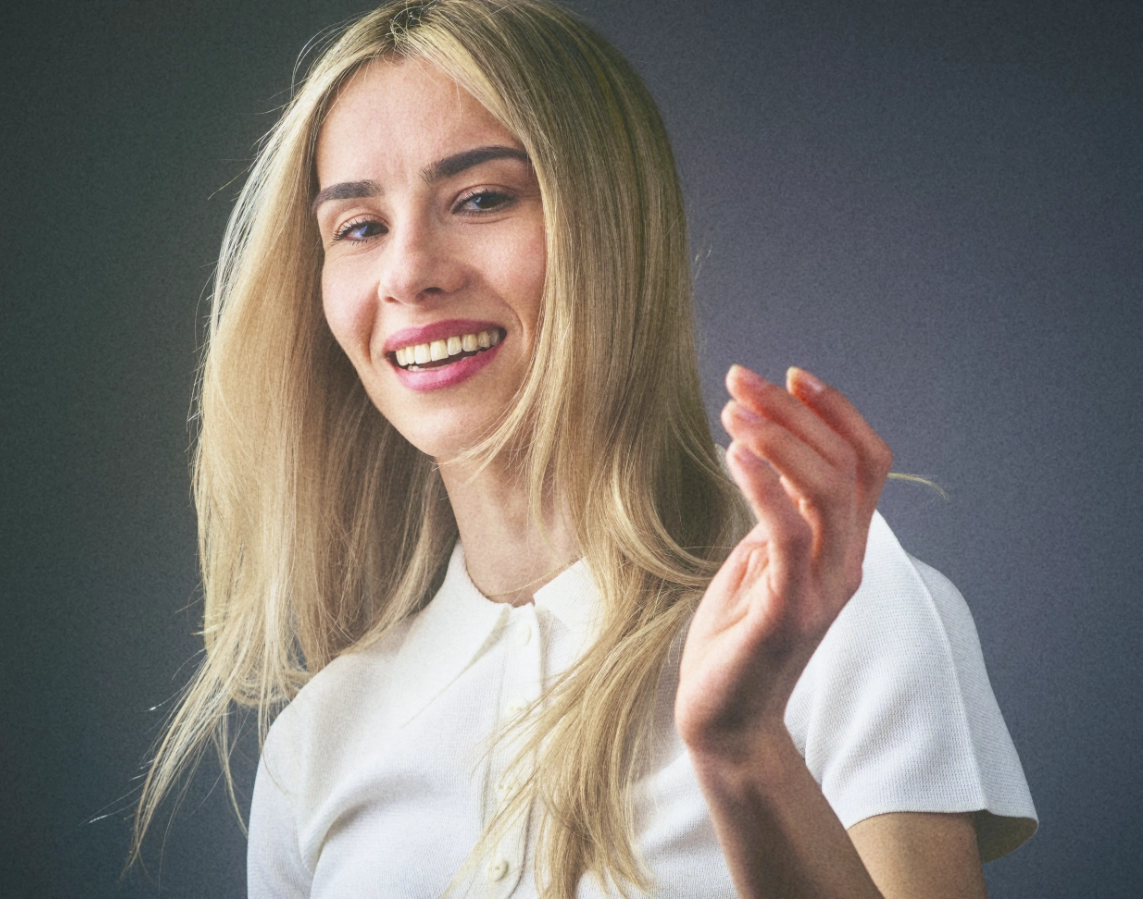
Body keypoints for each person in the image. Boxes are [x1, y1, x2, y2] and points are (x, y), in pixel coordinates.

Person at [131, 1, 1037, 896]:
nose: (409, 272)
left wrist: (744, 750)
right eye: (359, 226)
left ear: (611, 227)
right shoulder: (319, 739)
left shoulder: (836, 603)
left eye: (481, 198)